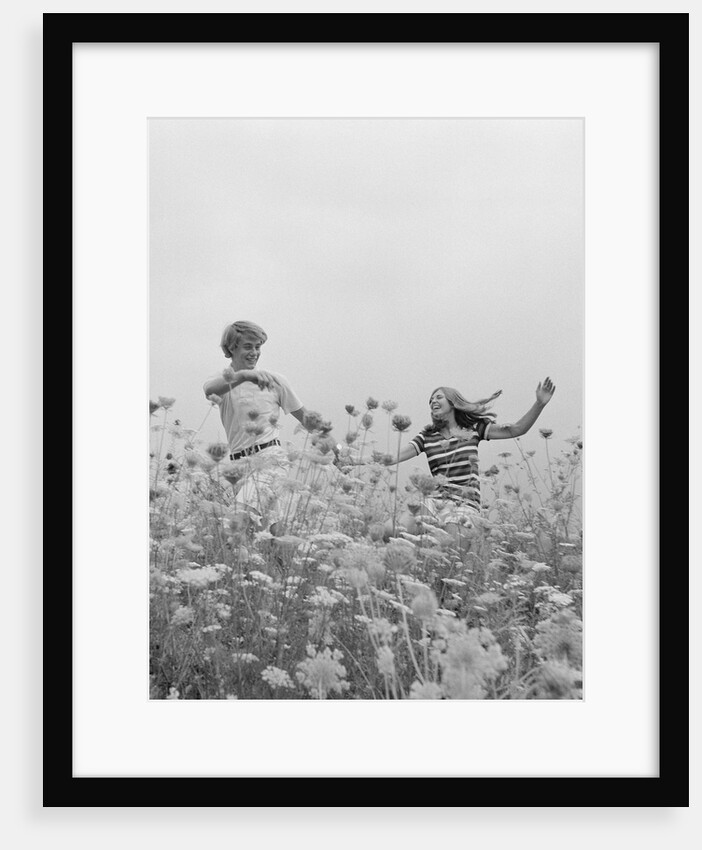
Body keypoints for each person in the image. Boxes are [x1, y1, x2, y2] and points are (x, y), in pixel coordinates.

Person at [202, 320, 339, 534]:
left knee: (235, 525)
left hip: (270, 459)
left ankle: (239, 566)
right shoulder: (222, 380)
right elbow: (210, 389)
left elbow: (307, 419)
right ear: (231, 347)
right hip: (240, 467)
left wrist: (337, 450)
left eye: (258, 347)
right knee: (276, 533)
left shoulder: (276, 381)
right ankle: (276, 565)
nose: (255, 353)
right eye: (248, 346)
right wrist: (245, 375)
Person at [387, 378, 556, 531]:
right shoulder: (426, 437)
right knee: (391, 530)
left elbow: (517, 429)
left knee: (449, 543)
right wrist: (360, 460)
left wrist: (539, 404)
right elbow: (391, 458)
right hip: (435, 502)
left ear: (453, 402)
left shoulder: (474, 429)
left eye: (438, 397)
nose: (433, 401)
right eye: (431, 400)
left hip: (465, 505)